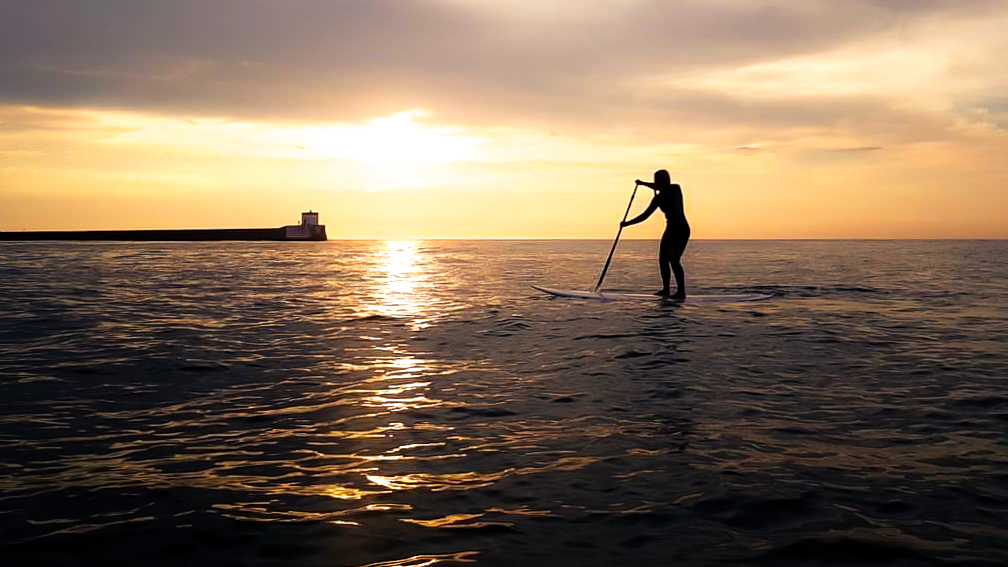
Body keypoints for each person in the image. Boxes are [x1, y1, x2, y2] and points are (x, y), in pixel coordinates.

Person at [620, 169, 690, 298]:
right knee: (663, 260)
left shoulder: (675, 188)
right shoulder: (657, 199)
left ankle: (681, 292)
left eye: (662, 179)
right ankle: (666, 290)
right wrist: (627, 224)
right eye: (658, 179)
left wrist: (642, 183)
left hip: (680, 228)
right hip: (670, 228)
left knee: (673, 259)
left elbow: (662, 187)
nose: (659, 182)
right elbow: (644, 215)